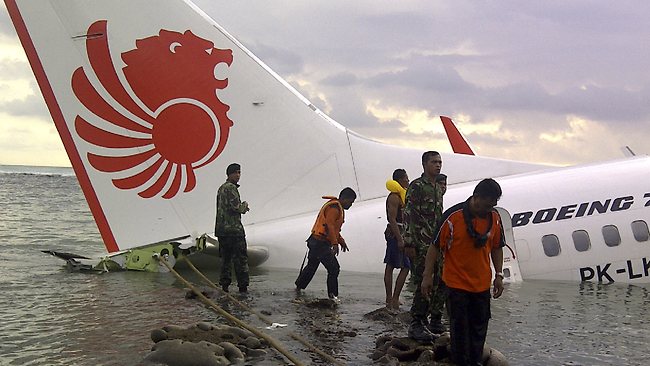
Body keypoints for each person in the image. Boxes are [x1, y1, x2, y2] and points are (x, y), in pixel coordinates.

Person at [422, 178, 505, 366]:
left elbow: (497, 247)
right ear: (476, 197)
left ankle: (475, 362)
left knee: (479, 331)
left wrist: (499, 275)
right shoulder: (453, 216)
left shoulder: (495, 218)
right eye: (487, 204)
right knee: (459, 331)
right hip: (456, 285)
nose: (489, 209)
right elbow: (434, 247)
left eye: (493, 205)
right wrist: (427, 276)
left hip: (482, 286)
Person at [403, 151, 444, 342]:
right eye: (434, 162)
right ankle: (416, 324)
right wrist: (409, 241)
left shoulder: (437, 188)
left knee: (437, 282)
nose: (438, 165)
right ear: (424, 164)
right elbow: (409, 214)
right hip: (420, 243)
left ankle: (432, 320)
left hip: (434, 244)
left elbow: (438, 217)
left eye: (440, 162)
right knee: (422, 281)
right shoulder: (417, 186)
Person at [295, 187, 357, 302]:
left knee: (311, 266)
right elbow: (330, 226)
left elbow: (334, 228)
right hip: (320, 243)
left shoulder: (336, 207)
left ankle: (298, 288)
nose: (351, 205)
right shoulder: (334, 208)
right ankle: (333, 297)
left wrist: (340, 240)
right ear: (344, 198)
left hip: (315, 241)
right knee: (334, 268)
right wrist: (335, 243)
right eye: (350, 202)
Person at [215, 163, 250, 293]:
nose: (238, 175)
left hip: (222, 231)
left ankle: (225, 287)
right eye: (236, 172)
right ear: (229, 174)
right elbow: (237, 208)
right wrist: (245, 205)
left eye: (239, 172)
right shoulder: (231, 188)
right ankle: (243, 288)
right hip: (234, 231)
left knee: (225, 260)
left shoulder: (221, 188)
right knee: (240, 259)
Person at [383, 169, 411, 311]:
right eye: (406, 178)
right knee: (392, 265)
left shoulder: (403, 196)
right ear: (399, 180)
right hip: (396, 234)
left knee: (404, 266)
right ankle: (391, 298)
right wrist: (399, 239)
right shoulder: (394, 197)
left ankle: (394, 298)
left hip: (403, 233)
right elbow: (392, 219)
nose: (408, 181)